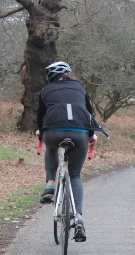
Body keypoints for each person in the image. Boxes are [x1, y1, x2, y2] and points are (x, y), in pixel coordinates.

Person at [37, 61, 107, 242]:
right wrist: (91, 134)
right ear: (69, 73)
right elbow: (88, 113)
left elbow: (40, 115)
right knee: (75, 176)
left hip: (53, 130)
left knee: (51, 147)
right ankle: (78, 217)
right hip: (79, 133)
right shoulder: (80, 87)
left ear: (50, 77)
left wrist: (40, 131)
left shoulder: (46, 90)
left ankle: (50, 185)